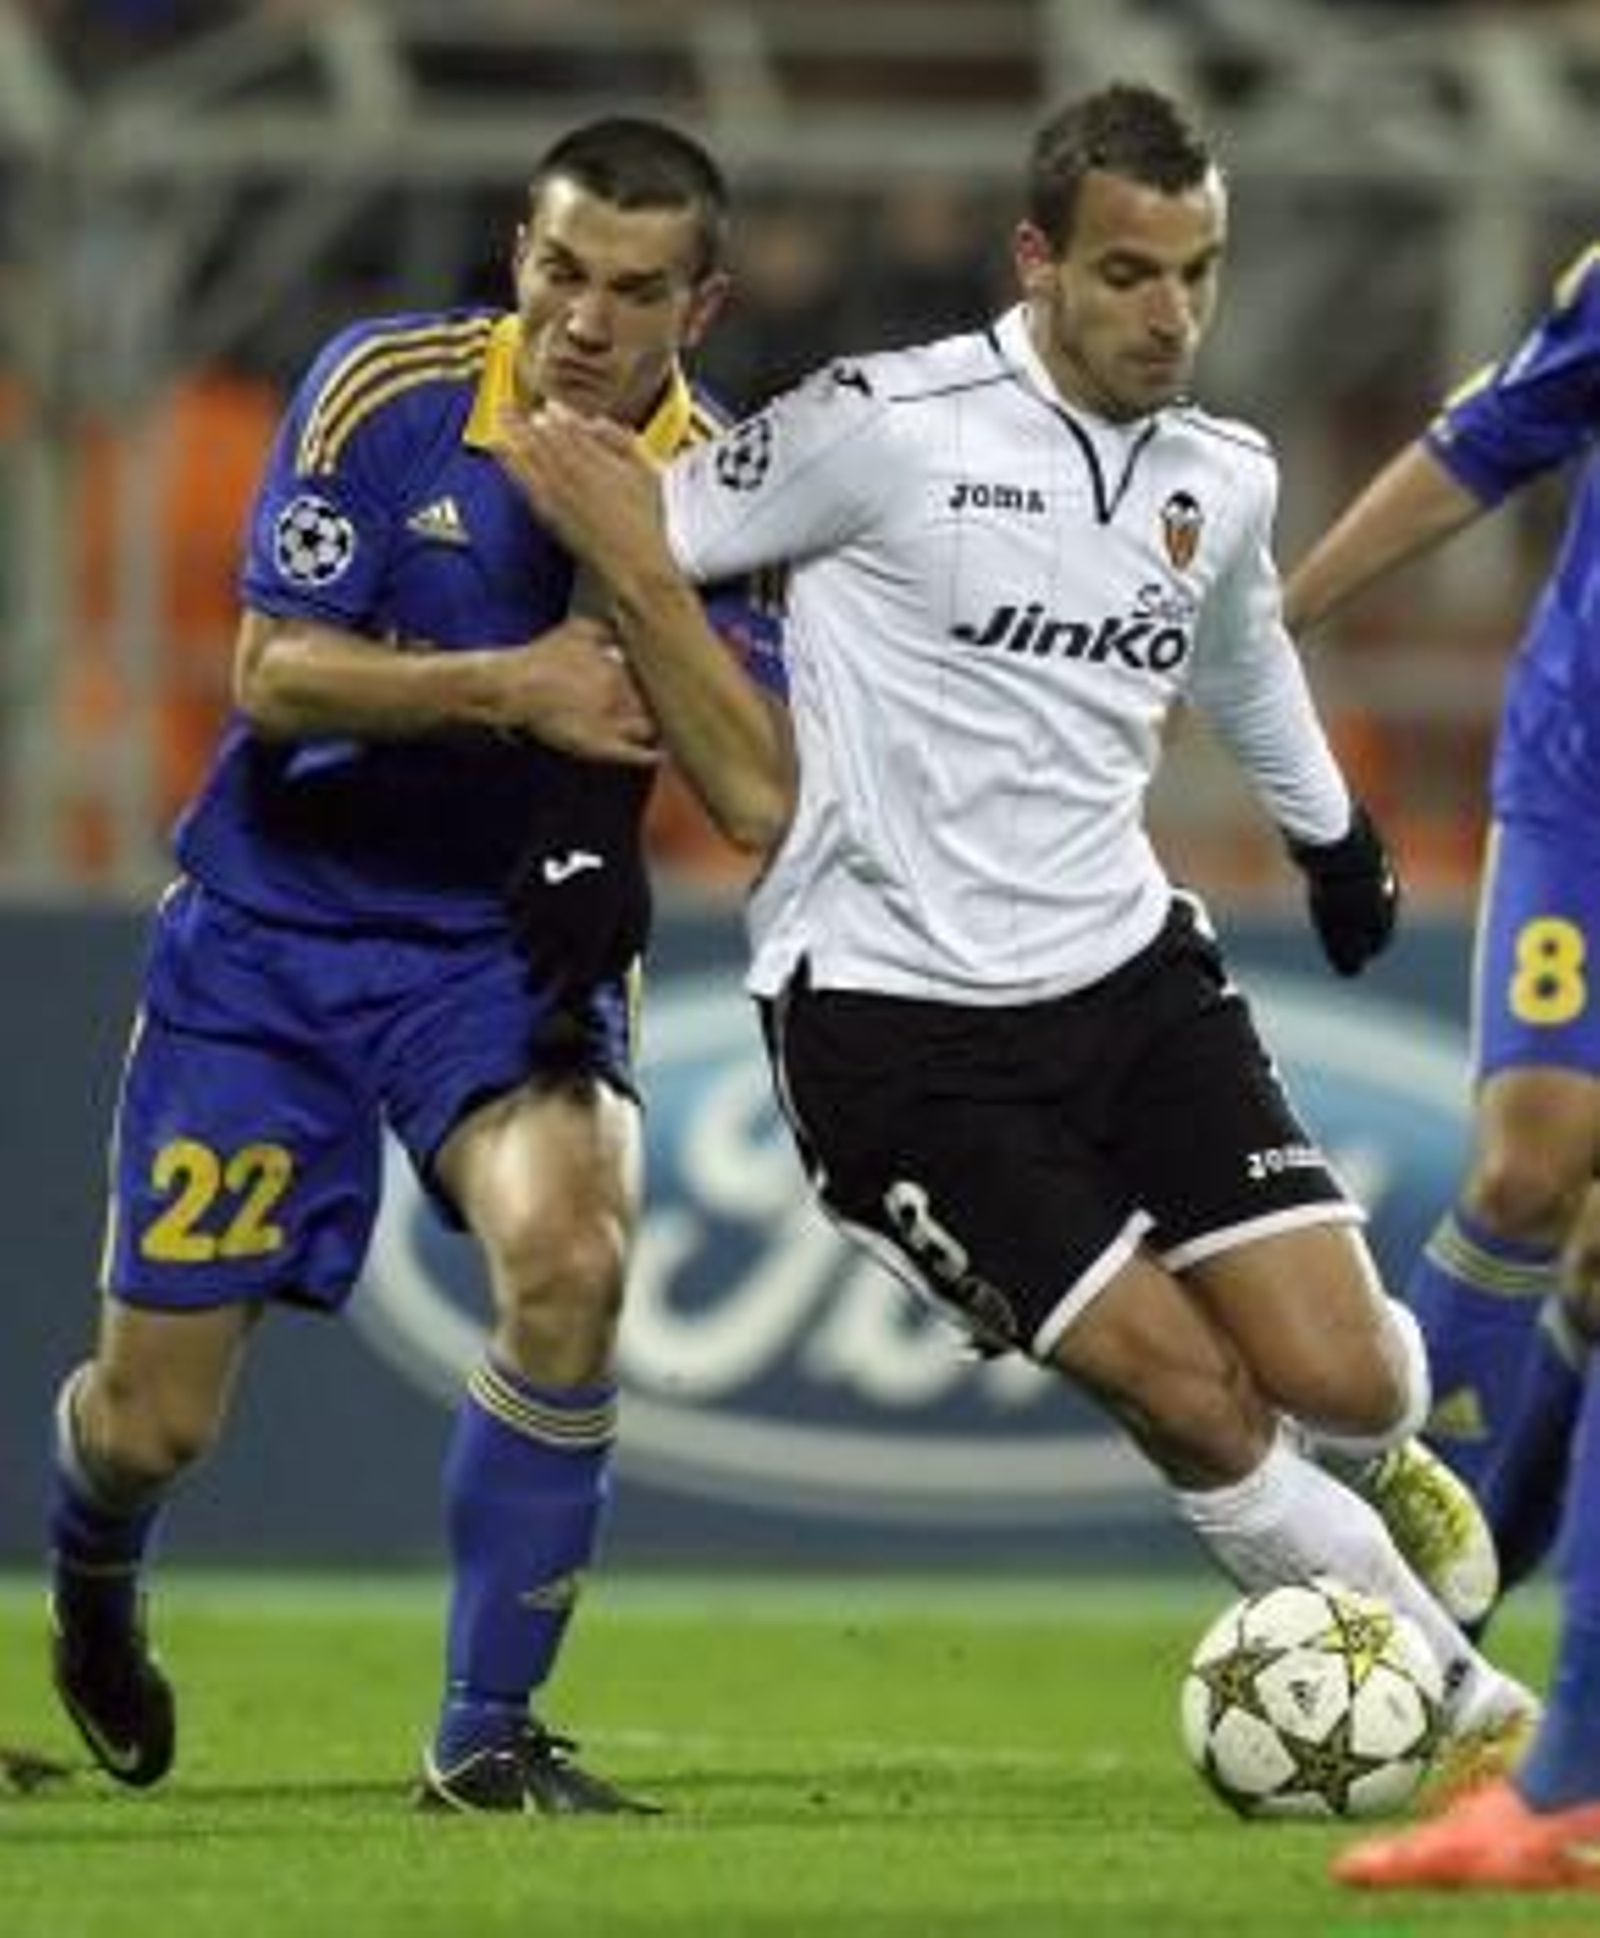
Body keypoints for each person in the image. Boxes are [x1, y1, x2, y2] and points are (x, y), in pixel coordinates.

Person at [495, 81, 1534, 1782]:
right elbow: (646, 532)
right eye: (1129, 273)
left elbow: (1242, 653)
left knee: (1350, 1377)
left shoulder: (1222, 475)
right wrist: (552, 496)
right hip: (894, 1030)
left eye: (1196, 272)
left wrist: (1335, 837)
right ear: (1038, 260)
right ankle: (1474, 1713)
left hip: (1128, 977)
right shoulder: (879, 425)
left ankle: (1384, 1458)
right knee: (1193, 1395)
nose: (1170, 313)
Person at [45, 115, 780, 1818]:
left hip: (497, 954)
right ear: (518, 254)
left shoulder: (732, 487)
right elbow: (272, 673)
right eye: (560, 271)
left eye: (635, 291)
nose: (583, 319)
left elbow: (745, 764)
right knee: (153, 1425)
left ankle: (483, 1732)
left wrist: (644, 594)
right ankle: (94, 1571)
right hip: (273, 939)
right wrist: (509, 685)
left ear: (703, 307)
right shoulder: (386, 390)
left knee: (575, 1252)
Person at [1282, 244, 1600, 1889]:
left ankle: (1552, 1762)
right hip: (1581, 772)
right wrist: (1272, 623)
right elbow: (1478, 446)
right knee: (1531, 1163)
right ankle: (1433, 1602)